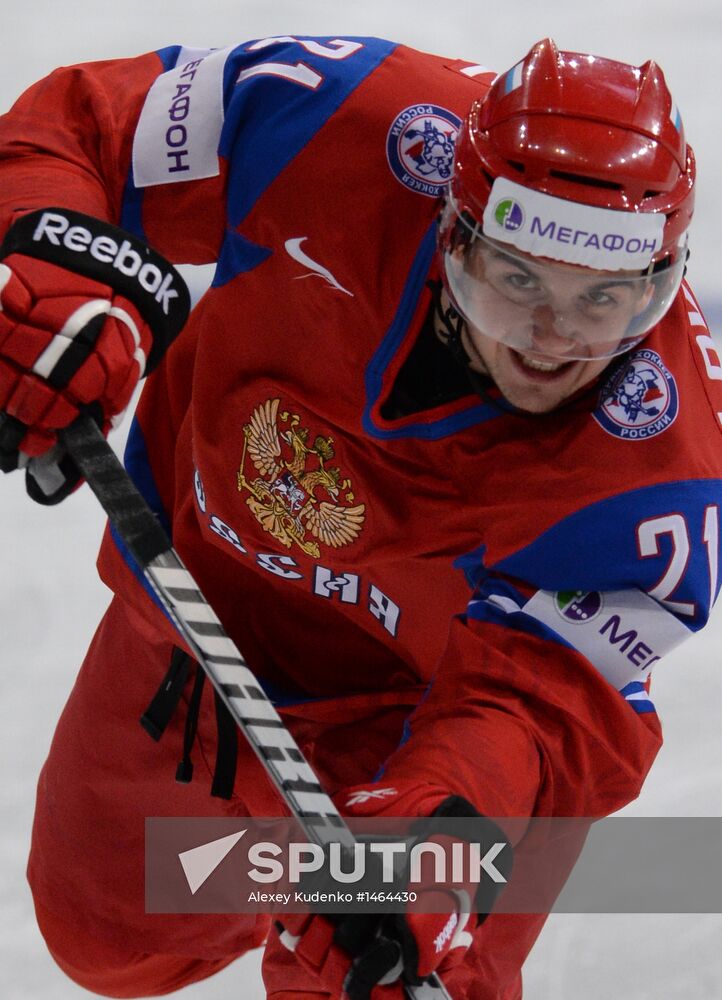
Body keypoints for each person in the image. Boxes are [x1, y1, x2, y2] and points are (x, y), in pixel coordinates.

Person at [0, 32, 718, 1000]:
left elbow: (534, 703)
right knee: (111, 940)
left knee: (374, 964)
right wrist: (45, 264)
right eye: (516, 282)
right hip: (199, 626)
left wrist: (434, 840)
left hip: (427, 724)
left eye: (605, 298)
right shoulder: (333, 114)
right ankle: (270, 873)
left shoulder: (659, 469)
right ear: (451, 227)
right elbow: (87, 126)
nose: (553, 342)